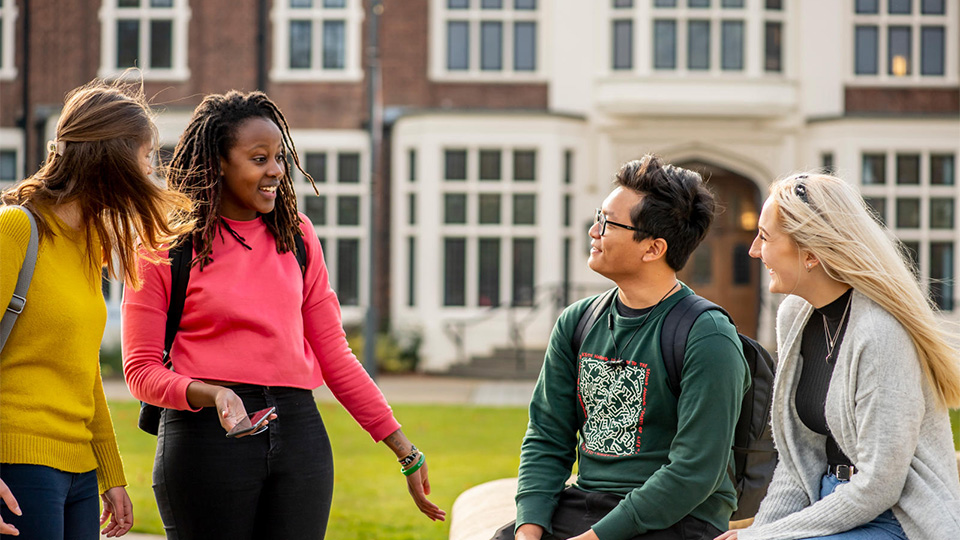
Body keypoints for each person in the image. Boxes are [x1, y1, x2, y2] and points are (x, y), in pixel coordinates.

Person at [121, 90, 445, 540]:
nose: (276, 170)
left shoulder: (297, 236)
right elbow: (139, 371)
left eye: (278, 156)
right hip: (206, 441)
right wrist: (213, 394)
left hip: (299, 436)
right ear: (217, 162)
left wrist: (404, 449)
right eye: (258, 158)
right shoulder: (164, 245)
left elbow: (335, 355)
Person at [493, 155, 750, 540]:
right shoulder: (576, 321)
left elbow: (695, 472)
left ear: (653, 248)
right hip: (587, 503)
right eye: (599, 216)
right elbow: (547, 436)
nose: (594, 230)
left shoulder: (707, 335)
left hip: (677, 519)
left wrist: (597, 538)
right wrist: (529, 529)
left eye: (608, 223)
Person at [716, 173, 960, 540]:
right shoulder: (795, 316)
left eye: (764, 237)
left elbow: (881, 486)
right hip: (826, 505)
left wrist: (760, 537)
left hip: (897, 518)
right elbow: (798, 464)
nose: (753, 250)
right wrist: (762, 531)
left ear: (811, 254)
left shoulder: (880, 335)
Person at [0, 79, 192, 539]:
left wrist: (111, 474)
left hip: (79, 472)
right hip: (20, 462)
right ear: (110, 161)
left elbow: (83, 371)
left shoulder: (89, 246)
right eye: (145, 158)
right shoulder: (16, 231)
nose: (150, 173)